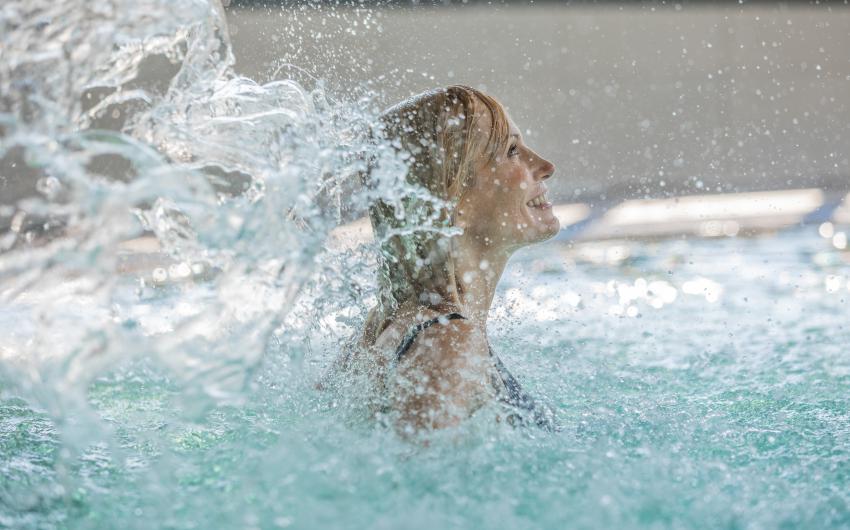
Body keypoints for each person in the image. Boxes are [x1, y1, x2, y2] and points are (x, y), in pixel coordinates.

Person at [334, 85, 559, 436]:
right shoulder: (450, 341)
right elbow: (420, 484)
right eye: (512, 151)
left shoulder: (381, 329)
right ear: (452, 203)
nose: (545, 166)